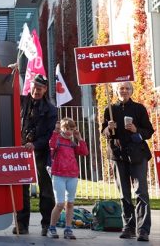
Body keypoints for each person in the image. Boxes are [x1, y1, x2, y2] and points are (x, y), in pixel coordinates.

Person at [101, 81, 154, 242]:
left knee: (141, 193)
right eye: (121, 88)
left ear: (131, 91)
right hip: (118, 155)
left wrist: (136, 130)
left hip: (138, 155)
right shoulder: (110, 109)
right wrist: (109, 128)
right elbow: (103, 133)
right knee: (124, 194)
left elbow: (149, 131)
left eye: (126, 88)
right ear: (116, 91)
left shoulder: (139, 108)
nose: (123, 91)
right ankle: (128, 227)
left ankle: (143, 230)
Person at [15, 73, 57, 236]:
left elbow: (49, 134)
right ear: (30, 87)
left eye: (39, 88)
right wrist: (15, 73)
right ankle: (21, 224)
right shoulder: (23, 101)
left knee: (46, 189)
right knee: (21, 189)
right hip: (22, 152)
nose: (36, 91)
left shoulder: (51, 110)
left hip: (41, 152)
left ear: (45, 89)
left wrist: (35, 144)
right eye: (34, 87)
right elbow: (11, 90)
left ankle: (47, 224)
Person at [46, 118, 88, 240]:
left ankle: (68, 229)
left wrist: (79, 138)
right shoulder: (57, 139)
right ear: (62, 129)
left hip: (72, 175)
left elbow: (84, 152)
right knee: (59, 204)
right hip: (58, 175)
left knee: (70, 203)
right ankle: (52, 228)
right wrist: (55, 131)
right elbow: (51, 146)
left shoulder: (72, 142)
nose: (69, 131)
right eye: (66, 128)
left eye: (71, 128)